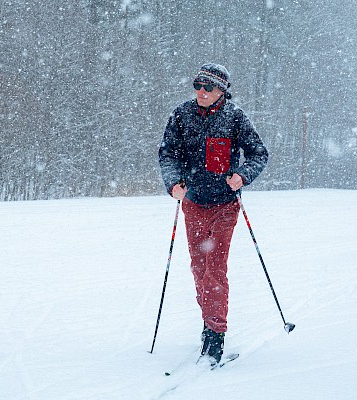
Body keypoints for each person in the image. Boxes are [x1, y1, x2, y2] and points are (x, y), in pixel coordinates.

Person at [158, 63, 269, 364]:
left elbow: (259, 153)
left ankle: (215, 336)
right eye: (197, 85)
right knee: (199, 268)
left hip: (225, 205)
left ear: (222, 90)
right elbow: (167, 153)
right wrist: (173, 183)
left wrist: (243, 175)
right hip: (193, 203)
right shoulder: (181, 115)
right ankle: (208, 323)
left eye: (208, 87)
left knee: (215, 268)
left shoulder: (235, 117)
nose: (201, 92)